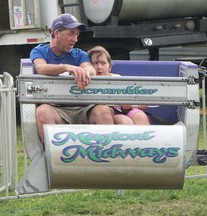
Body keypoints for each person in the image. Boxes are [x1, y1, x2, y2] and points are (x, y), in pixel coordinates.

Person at [30, 14, 114, 142]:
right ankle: (51, 159)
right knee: (42, 111)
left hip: (84, 108)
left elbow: (91, 69)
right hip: (56, 109)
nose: (75, 39)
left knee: (103, 110)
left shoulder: (79, 54)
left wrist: (84, 71)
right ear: (57, 33)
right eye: (71, 33)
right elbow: (41, 68)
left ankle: (108, 157)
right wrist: (67, 68)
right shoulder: (40, 51)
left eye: (77, 35)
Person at [87, 46, 150, 125]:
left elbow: (133, 96)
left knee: (140, 116)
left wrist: (138, 102)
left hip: (126, 110)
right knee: (125, 121)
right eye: (95, 63)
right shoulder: (87, 81)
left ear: (109, 66)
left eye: (103, 63)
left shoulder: (117, 78)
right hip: (110, 113)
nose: (99, 67)